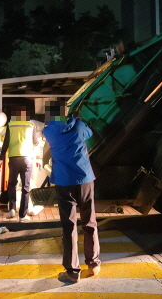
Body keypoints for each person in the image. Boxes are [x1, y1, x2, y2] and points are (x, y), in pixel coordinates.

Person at [43, 112, 101, 284]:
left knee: (69, 226)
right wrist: (79, 120)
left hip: (63, 180)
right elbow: (90, 134)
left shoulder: (48, 131)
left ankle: (73, 272)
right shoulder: (78, 125)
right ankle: (93, 264)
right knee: (89, 221)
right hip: (84, 178)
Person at [0, 106, 41, 222]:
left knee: (12, 184)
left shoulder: (11, 126)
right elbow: (36, 143)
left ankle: (12, 209)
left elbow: (5, 144)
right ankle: (22, 216)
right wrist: (38, 157)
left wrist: (0, 159)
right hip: (27, 158)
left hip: (13, 158)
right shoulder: (31, 126)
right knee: (25, 187)